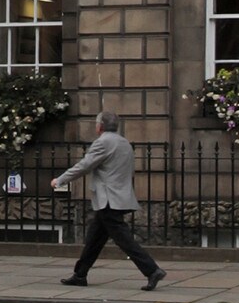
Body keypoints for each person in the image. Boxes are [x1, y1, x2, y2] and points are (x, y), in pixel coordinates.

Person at [52, 108, 165, 292]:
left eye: (96, 124)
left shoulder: (103, 142)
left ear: (100, 126)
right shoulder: (124, 143)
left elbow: (84, 165)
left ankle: (152, 270)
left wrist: (60, 180)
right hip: (118, 197)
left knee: (124, 239)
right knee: (94, 239)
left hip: (108, 199)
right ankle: (80, 274)